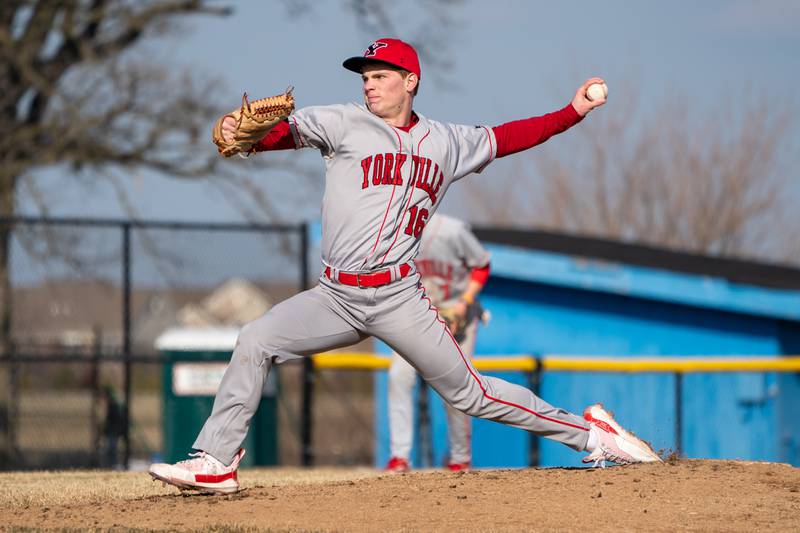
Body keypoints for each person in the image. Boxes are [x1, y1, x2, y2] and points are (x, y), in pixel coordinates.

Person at [149, 38, 661, 495]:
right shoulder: (342, 120)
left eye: (380, 75)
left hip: (398, 299)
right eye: (365, 77)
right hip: (335, 297)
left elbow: (512, 137)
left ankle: (594, 436)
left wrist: (572, 111)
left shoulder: (447, 142)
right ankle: (216, 461)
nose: (369, 85)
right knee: (255, 340)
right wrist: (247, 134)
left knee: (472, 395)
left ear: (410, 81)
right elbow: (279, 134)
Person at [385, 213, 490, 473]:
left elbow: (482, 265)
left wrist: (464, 302)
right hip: (420, 314)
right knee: (398, 376)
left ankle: (460, 457)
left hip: (459, 313)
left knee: (456, 386)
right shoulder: (393, 231)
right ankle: (400, 457)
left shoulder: (452, 230)